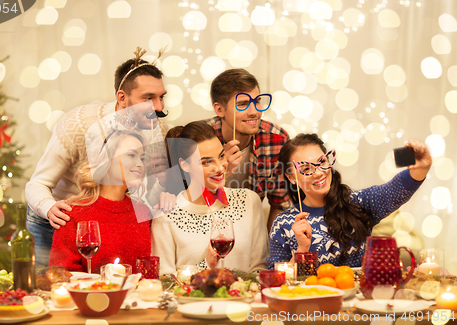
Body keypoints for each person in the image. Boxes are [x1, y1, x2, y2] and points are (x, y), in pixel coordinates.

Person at [26, 48, 173, 269]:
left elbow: (145, 183)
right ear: (122, 98)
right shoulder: (77, 124)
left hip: (107, 220)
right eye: (148, 98)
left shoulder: (156, 128)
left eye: (161, 97)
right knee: (51, 289)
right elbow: (37, 183)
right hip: (60, 218)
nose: (159, 107)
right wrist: (49, 208)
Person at [267, 133, 432, 268]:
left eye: (321, 162)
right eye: (306, 169)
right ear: (291, 177)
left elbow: (394, 191)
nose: (318, 173)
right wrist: (301, 250)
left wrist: (421, 168)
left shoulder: (358, 202)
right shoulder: (283, 223)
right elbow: (277, 283)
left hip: (360, 301)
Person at [152, 121, 269, 274]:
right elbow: (164, 281)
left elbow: (260, 268)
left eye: (221, 156)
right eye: (207, 162)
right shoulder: (165, 214)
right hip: (193, 298)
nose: (220, 168)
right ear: (185, 165)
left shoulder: (249, 201)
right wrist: (206, 265)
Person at [49, 129, 151, 272]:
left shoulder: (143, 212)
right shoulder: (73, 212)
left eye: (142, 158)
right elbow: (62, 275)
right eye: (132, 155)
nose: (140, 164)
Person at [203, 68, 290, 232]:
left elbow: (280, 204)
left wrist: (267, 248)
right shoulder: (199, 139)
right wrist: (222, 171)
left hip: (251, 231)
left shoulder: (277, 139)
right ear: (219, 110)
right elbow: (186, 200)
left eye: (256, 101)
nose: (254, 112)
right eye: (242, 104)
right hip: (204, 229)